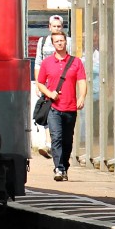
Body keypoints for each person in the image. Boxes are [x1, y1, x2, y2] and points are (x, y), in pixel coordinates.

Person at [36, 31, 87, 182]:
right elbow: (39, 83)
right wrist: (49, 93)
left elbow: (82, 80)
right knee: (56, 137)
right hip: (54, 108)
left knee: (67, 140)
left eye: (62, 41)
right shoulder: (47, 63)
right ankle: (58, 168)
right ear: (53, 44)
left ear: (66, 43)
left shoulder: (76, 62)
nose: (59, 43)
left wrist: (82, 96)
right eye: (56, 41)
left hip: (70, 107)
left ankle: (64, 165)